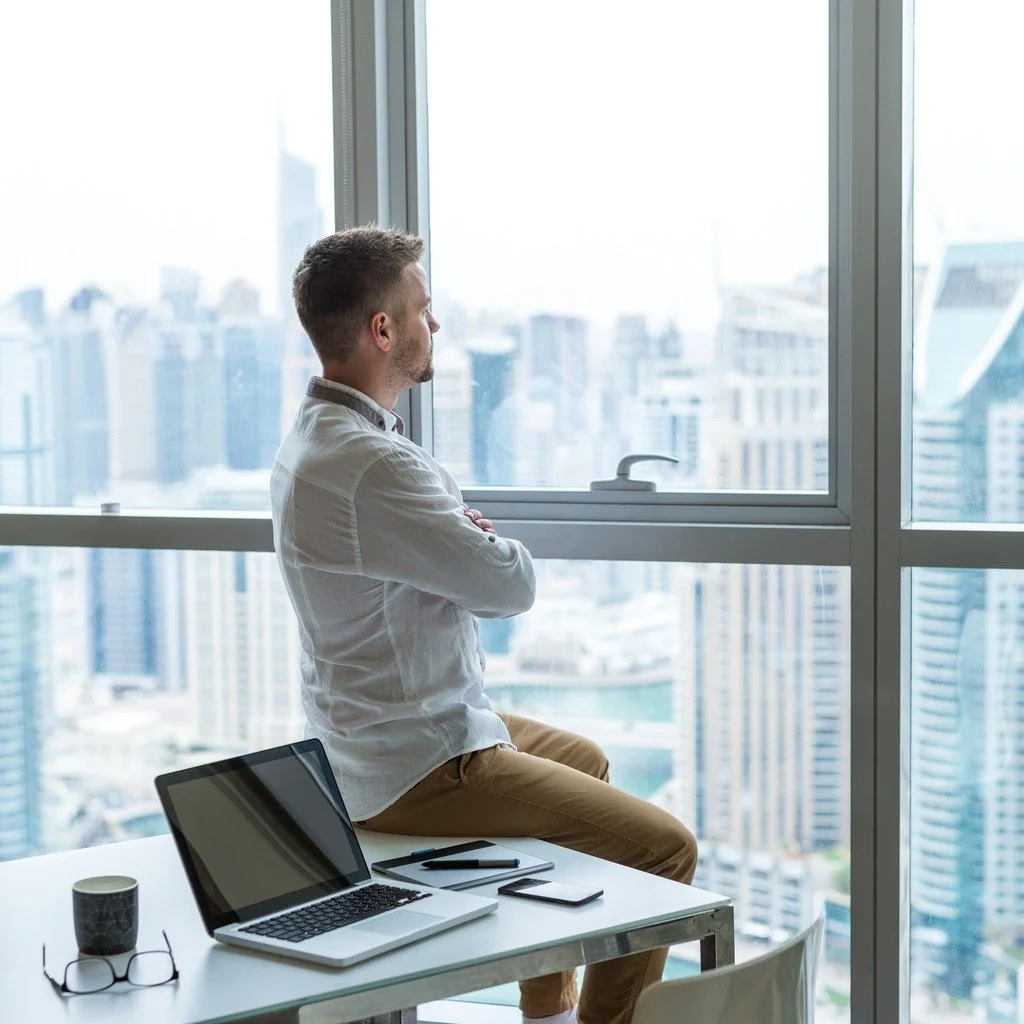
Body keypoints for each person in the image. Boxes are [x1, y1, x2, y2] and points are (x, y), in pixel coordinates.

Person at [270, 225, 698, 1024]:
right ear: (382, 330)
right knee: (665, 848)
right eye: (424, 310)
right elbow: (508, 586)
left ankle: (546, 1007)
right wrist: (482, 540)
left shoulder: (317, 439)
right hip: (416, 763)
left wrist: (462, 537)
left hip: (380, 733)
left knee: (590, 760)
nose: (437, 326)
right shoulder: (375, 464)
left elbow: (458, 564)